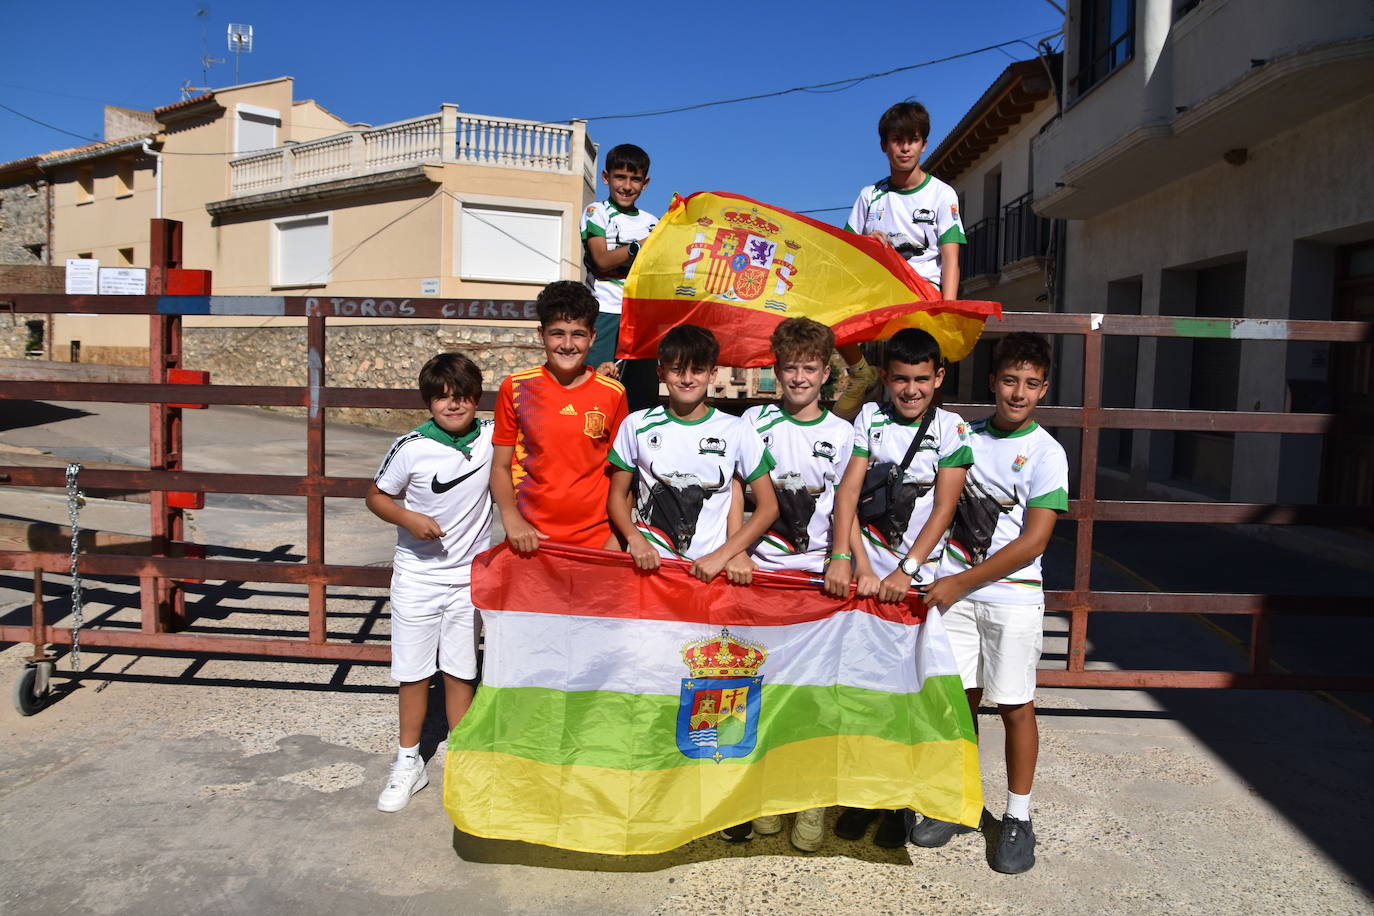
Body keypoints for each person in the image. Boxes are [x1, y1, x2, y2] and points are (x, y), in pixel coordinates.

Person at [915, 332, 1068, 875]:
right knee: (959, 703)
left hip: (1010, 596)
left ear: (1044, 389)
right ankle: (958, 802)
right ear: (992, 382)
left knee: (1014, 704)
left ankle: (1019, 818)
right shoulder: (964, 437)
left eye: (1030, 383)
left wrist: (959, 582)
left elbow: (1033, 541)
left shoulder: (1048, 452)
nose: (1018, 392)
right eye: (1009, 380)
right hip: (954, 590)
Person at [824, 327, 973, 847]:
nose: (911, 390)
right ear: (885, 379)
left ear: (938, 378)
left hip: (918, 583)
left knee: (913, 692)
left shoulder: (953, 430)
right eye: (901, 380)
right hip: (871, 582)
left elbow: (945, 506)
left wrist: (904, 570)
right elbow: (848, 495)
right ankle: (870, 795)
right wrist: (856, 561)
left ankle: (905, 802)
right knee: (866, 691)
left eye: (921, 380)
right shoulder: (869, 418)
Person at [724, 317, 855, 851]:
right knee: (755, 691)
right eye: (789, 368)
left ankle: (811, 802)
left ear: (827, 373)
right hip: (760, 573)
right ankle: (758, 798)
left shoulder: (844, 434)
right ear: (774, 370)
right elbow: (735, 489)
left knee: (813, 697)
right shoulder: (752, 422)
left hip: (815, 581)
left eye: (809, 368)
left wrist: (845, 559)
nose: (799, 377)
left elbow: (846, 505)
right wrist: (735, 551)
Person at [367, 352, 494, 812]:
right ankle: (408, 761)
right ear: (429, 402)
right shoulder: (411, 446)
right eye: (442, 399)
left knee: (462, 669)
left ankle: (461, 757)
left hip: (467, 581)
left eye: (462, 397)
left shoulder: (494, 439)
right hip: (418, 579)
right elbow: (376, 495)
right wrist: (407, 517)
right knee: (413, 671)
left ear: (476, 398)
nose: (453, 406)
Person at [606, 324, 779, 584]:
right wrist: (635, 540)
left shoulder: (737, 429)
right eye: (677, 370)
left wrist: (726, 554)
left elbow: (768, 507)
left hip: (710, 573)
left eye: (697, 370)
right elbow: (617, 496)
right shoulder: (636, 424)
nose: (687, 379)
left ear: (713, 374)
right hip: (647, 570)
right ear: (661, 373)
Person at [834, 101, 967, 420]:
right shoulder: (869, 196)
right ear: (884, 145)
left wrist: (947, 310)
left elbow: (951, 257)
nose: (905, 147)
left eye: (913, 139)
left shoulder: (941, 194)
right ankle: (859, 372)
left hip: (924, 294)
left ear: (923, 143)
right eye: (897, 139)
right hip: (880, 291)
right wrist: (868, 245)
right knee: (831, 311)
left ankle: (928, 436)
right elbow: (846, 252)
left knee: (917, 374)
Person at [491, 280, 629, 554]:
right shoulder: (516, 387)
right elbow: (500, 467)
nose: (567, 345)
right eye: (557, 334)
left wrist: (618, 537)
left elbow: (622, 473)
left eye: (577, 334)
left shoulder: (613, 393)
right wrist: (511, 518)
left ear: (592, 336)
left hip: (598, 543)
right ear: (541, 335)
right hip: (531, 539)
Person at [581, 143, 660, 412]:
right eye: (620, 177)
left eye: (635, 179)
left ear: (645, 182)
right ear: (606, 177)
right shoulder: (596, 212)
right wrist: (639, 246)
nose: (627, 186)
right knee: (597, 387)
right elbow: (601, 259)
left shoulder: (654, 222)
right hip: (605, 312)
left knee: (641, 394)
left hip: (641, 318)